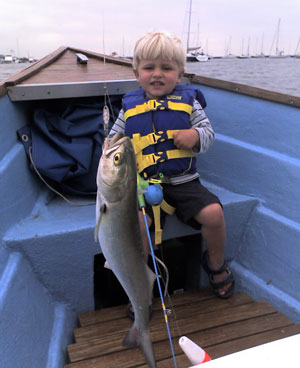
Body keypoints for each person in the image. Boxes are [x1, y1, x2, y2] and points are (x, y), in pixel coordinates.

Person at [109, 31, 234, 319]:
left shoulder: (190, 102)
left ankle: (215, 264)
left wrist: (194, 135)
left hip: (185, 184)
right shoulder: (128, 108)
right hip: (144, 186)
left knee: (214, 214)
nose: (157, 74)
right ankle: (140, 284)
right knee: (137, 224)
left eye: (166, 68)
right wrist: (110, 144)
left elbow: (208, 133)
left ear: (180, 73)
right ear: (136, 72)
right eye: (149, 68)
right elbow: (114, 138)